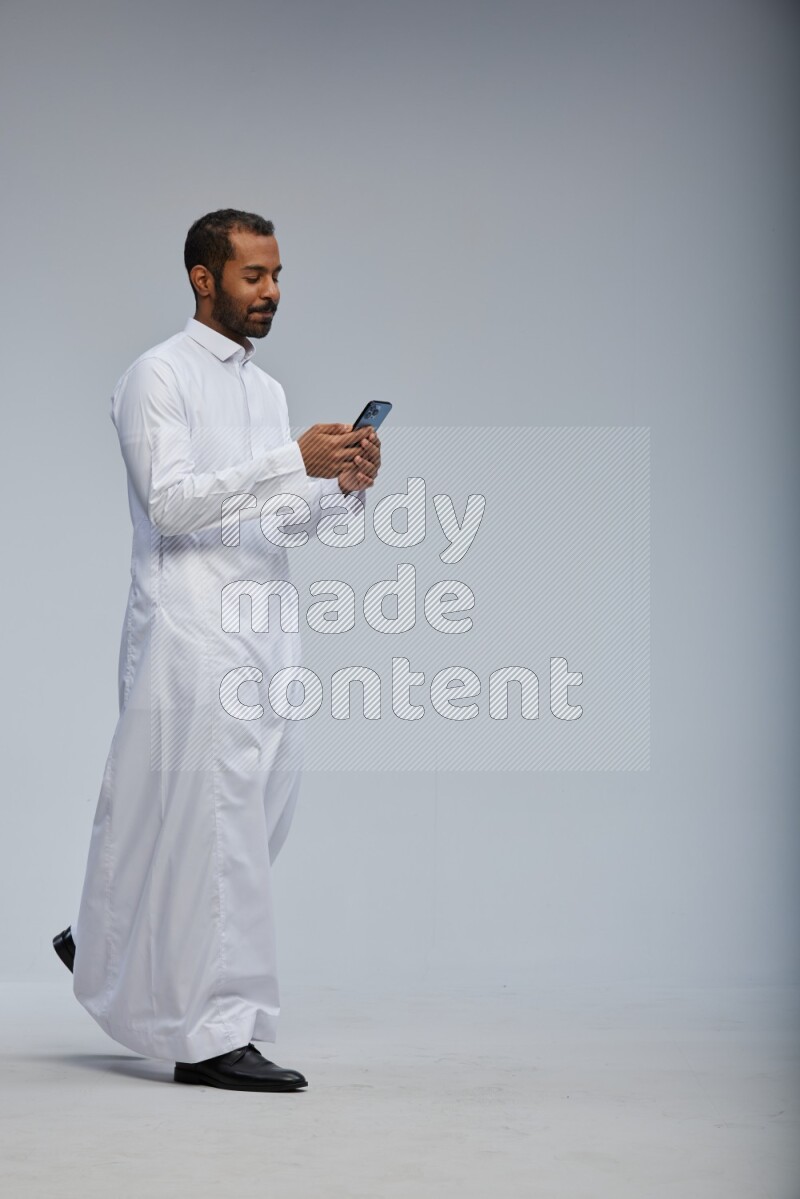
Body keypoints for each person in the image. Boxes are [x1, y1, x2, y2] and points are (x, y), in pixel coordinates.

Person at [52, 209, 382, 1091]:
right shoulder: (153, 378)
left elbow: (270, 514)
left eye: (277, 276)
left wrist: (336, 487)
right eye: (253, 276)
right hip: (190, 632)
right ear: (204, 278)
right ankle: (213, 1034)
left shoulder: (266, 394)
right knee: (216, 828)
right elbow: (171, 503)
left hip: (266, 626)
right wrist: (287, 461)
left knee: (260, 807)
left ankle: (104, 927)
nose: (271, 292)